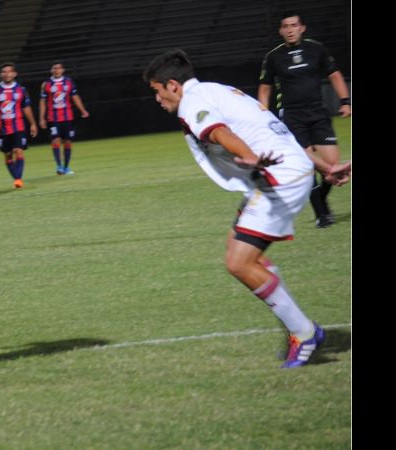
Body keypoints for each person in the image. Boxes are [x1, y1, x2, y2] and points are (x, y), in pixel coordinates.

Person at [143, 49, 350, 368]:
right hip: (282, 172)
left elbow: (220, 134)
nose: (157, 99)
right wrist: (322, 166)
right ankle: (296, 325)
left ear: (172, 85)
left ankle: (304, 332)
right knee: (239, 253)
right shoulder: (218, 90)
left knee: (239, 263)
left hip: (278, 177)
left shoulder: (193, 102)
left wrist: (249, 157)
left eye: (156, 91)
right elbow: (274, 132)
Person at [257, 11, 351, 228]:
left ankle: (320, 199)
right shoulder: (273, 56)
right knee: (307, 165)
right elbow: (265, 88)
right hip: (291, 116)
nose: (289, 30)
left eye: (293, 25)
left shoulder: (316, 49)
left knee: (332, 166)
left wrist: (345, 101)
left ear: (302, 28)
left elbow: (335, 74)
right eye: (285, 26)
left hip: (318, 113)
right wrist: (261, 114)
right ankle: (322, 214)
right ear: (281, 30)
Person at [0, 62, 38, 188]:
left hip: (18, 126)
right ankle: (17, 177)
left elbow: (26, 108)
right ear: (0, 74)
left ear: (14, 74)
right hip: (2, 128)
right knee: (8, 154)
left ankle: (18, 179)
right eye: (4, 71)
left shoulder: (21, 89)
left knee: (18, 151)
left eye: (9, 71)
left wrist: (33, 123)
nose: (7, 74)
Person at [39, 61, 89, 175]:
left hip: (67, 117)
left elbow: (75, 96)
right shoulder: (46, 84)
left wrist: (82, 110)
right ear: (51, 71)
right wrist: (41, 118)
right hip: (53, 118)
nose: (56, 70)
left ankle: (66, 167)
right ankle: (59, 166)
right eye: (54, 68)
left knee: (67, 142)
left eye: (59, 68)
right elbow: (42, 102)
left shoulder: (69, 82)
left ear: (63, 70)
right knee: (55, 140)